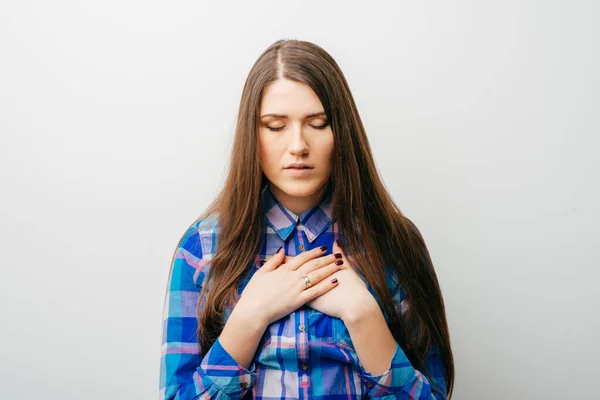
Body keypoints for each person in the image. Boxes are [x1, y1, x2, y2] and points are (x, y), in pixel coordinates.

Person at [159, 39, 454, 399]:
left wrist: (364, 316)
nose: (297, 145)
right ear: (252, 135)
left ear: (341, 132)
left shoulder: (394, 242)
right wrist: (249, 317)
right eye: (275, 125)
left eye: (317, 123)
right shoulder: (202, 249)